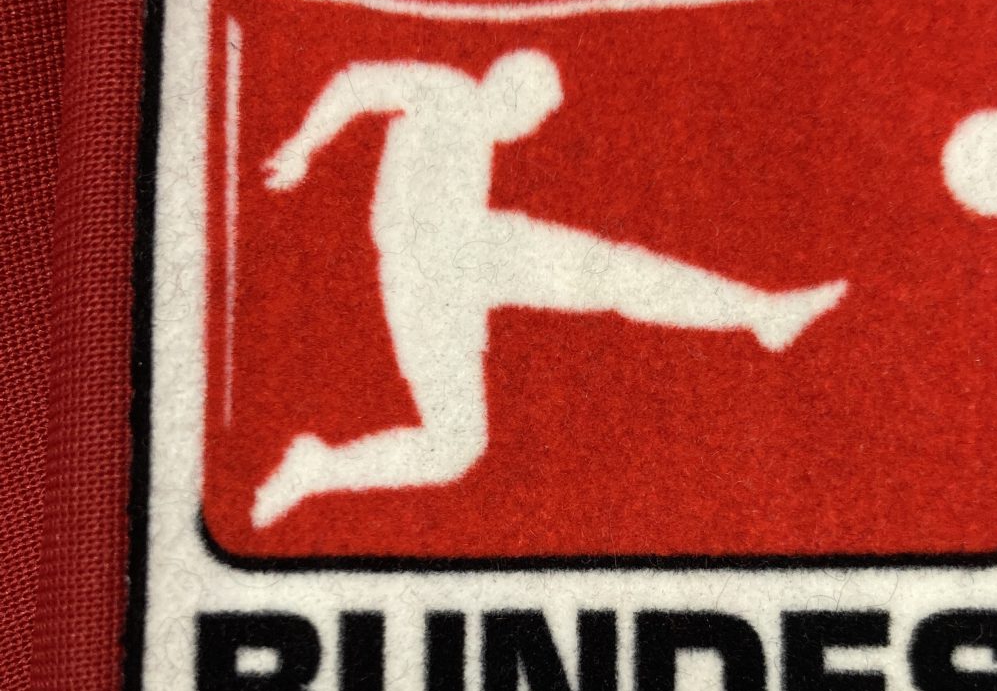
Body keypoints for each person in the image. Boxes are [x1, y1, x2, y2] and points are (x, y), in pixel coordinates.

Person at [253, 48, 846, 526]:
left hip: (452, 268)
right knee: (610, 281)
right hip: (444, 259)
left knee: (462, 438)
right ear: (513, 89)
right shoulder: (445, 90)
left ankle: (760, 312)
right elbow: (356, 82)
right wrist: (304, 145)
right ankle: (759, 312)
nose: (532, 127)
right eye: (536, 112)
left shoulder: (465, 117)